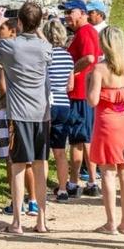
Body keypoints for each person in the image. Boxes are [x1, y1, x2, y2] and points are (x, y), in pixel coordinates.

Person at [0, 2, 53, 235]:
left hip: (18, 113)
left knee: (19, 166)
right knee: (40, 166)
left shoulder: (10, 47)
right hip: (42, 114)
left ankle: (18, 221)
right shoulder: (44, 48)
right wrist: (38, 26)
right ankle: (41, 220)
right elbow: (46, 43)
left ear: (18, 22)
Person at [87, 26, 124, 234]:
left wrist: (87, 82)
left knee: (108, 174)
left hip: (107, 123)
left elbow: (92, 101)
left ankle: (111, 222)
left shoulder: (100, 69)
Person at [0, 20, 36, 215]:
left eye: (1, 28)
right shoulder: (27, 51)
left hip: (8, 107)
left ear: (12, 31)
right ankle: (33, 200)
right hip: (28, 108)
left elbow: (3, 86)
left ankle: (16, 202)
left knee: (11, 158)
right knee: (27, 159)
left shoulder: (5, 55)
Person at [60, 0, 101, 198]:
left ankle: (78, 182)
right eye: (66, 13)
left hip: (80, 93)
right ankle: (87, 180)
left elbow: (90, 58)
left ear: (82, 13)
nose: (67, 17)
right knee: (83, 137)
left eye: (70, 12)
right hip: (83, 92)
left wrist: (71, 72)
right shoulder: (85, 32)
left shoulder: (85, 32)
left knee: (79, 138)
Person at [44, 18, 76, 203]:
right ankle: (63, 189)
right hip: (64, 104)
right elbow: (70, 85)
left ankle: (41, 187)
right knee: (60, 150)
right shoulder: (68, 57)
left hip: (47, 103)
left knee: (43, 151)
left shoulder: (46, 55)